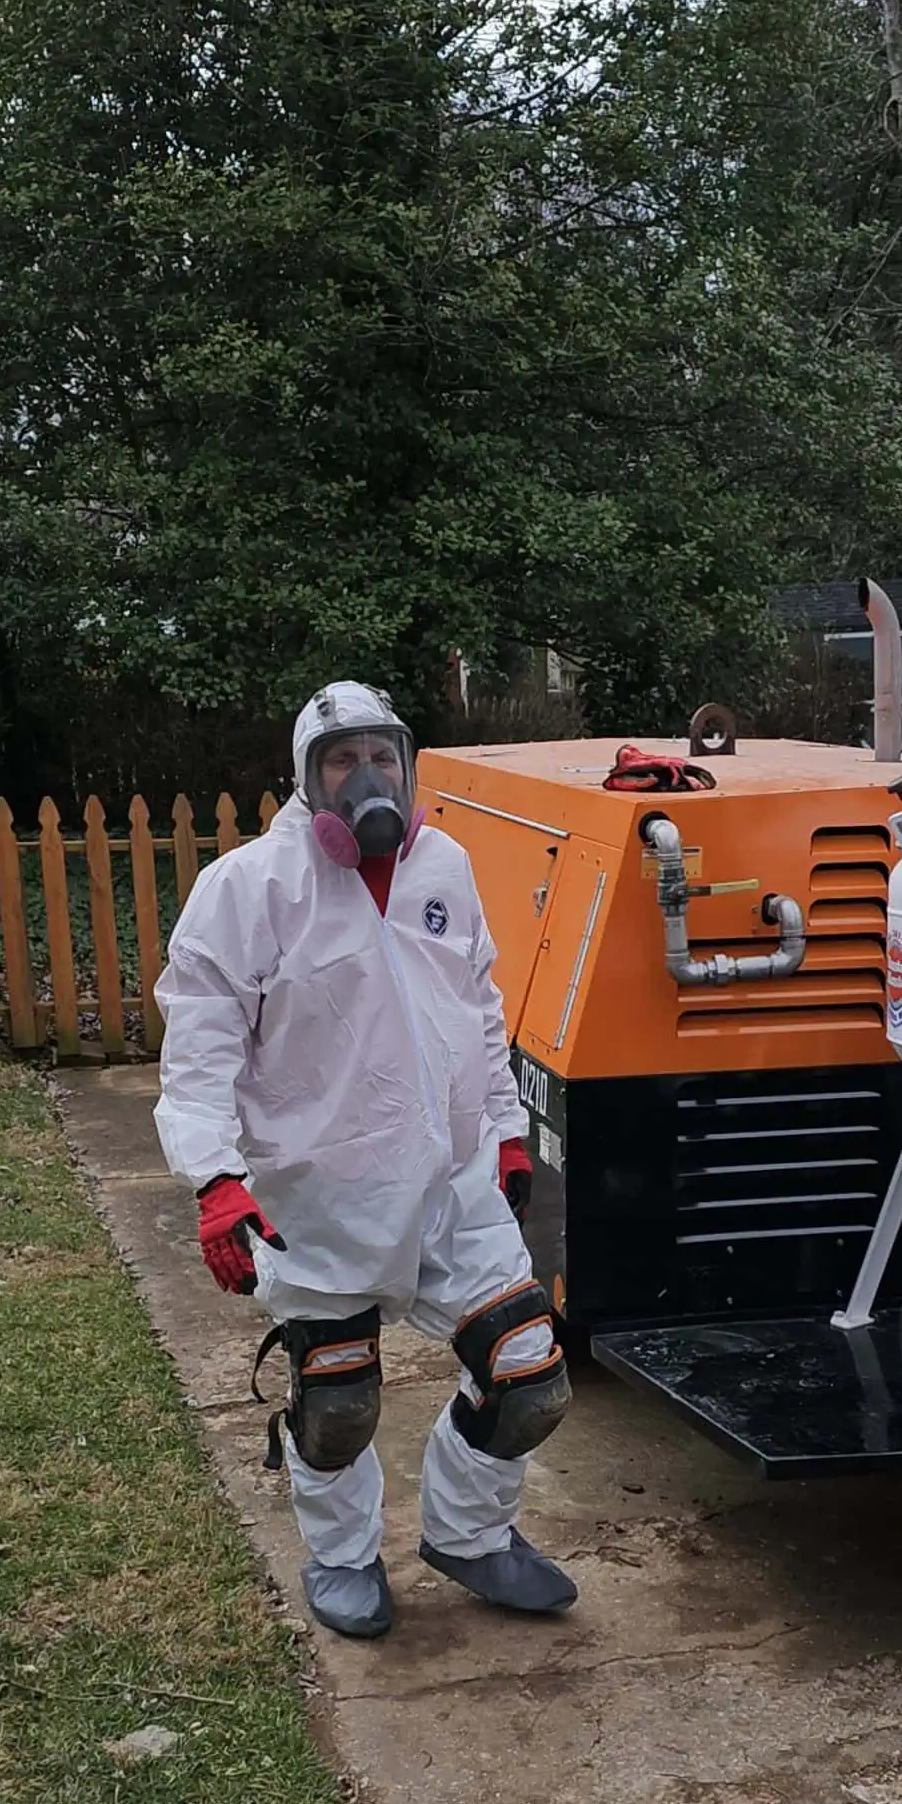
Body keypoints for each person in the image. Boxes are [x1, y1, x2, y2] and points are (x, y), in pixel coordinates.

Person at [152, 680, 577, 1639]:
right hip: (318, 1198)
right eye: (341, 760)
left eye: (382, 754)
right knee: (338, 1404)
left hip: (451, 1185)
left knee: (532, 1378)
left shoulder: (446, 866)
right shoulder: (249, 891)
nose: (366, 775)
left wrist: (504, 1131)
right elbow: (200, 1049)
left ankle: (469, 1536)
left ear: (408, 763)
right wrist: (216, 1180)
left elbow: (477, 1005)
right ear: (306, 780)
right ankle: (341, 1558)